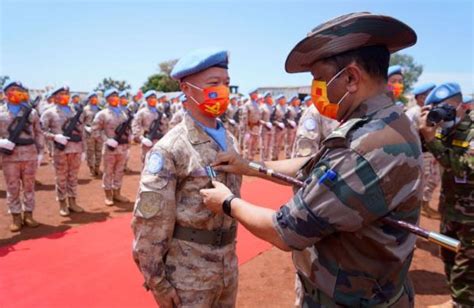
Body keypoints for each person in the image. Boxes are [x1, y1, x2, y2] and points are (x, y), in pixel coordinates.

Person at [200, 12, 422, 307]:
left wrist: (227, 203)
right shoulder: (390, 121)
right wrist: (249, 167)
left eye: (320, 80)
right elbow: (310, 165)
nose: (318, 91)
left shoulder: (363, 146)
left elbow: (284, 230)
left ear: (352, 78)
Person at [132, 48, 242, 308]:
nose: (223, 90)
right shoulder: (171, 148)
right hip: (187, 275)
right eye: (213, 84)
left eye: (226, 83)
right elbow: (149, 222)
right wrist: (157, 281)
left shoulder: (231, 140)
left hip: (227, 265)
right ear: (187, 88)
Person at [419, 82, 473, 308]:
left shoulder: (471, 131)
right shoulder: (443, 130)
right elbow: (420, 151)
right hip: (450, 208)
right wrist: (422, 131)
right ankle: (457, 301)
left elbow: (463, 167)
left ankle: (462, 304)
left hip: (470, 214)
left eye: (447, 109)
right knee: (449, 256)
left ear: (460, 105)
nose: (444, 114)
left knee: (466, 263)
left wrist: (432, 141)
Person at [0, 80, 44, 231]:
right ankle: (16, 217)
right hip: (9, 157)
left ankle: (29, 215)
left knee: (29, 187)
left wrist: (40, 152)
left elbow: (38, 133)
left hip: (30, 154)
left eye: (18, 89)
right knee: (13, 188)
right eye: (12, 89)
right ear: (5, 94)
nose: (16, 92)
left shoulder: (31, 112)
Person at [40, 85, 85, 216]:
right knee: (61, 178)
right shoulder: (49, 112)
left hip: (75, 149)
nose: (65, 96)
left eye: (67, 93)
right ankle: (62, 203)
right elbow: (40, 130)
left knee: (73, 177)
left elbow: (81, 131)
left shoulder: (75, 111)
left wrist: (83, 150)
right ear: (55, 97)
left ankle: (73, 202)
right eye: (62, 93)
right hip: (61, 150)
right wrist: (54, 137)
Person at [407, 83, 441, 219]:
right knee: (424, 182)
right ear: (420, 97)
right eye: (428, 95)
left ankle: (423, 206)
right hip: (418, 152)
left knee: (429, 179)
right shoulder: (416, 112)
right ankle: (421, 208)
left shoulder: (421, 110)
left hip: (423, 152)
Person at [91, 88, 131, 206]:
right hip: (110, 149)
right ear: (107, 99)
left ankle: (117, 193)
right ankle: (108, 195)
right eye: (112, 96)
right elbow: (94, 131)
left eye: (116, 96)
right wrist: (106, 140)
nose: (115, 98)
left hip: (122, 147)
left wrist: (128, 143)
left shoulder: (123, 112)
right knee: (108, 172)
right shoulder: (102, 114)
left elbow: (127, 130)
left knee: (119, 171)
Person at [132, 90, 166, 163]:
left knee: (159, 163)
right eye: (151, 98)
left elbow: (165, 127)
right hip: (147, 142)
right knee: (146, 164)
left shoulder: (159, 113)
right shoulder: (142, 112)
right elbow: (135, 125)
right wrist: (141, 138)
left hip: (159, 142)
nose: (153, 100)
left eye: (154, 98)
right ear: (147, 100)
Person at [83, 91, 103, 177]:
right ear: (89, 99)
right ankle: (91, 168)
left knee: (99, 151)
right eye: (93, 98)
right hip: (89, 134)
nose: (95, 99)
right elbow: (80, 122)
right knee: (90, 152)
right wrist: (86, 128)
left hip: (99, 133)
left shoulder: (100, 109)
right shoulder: (85, 110)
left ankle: (97, 168)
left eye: (96, 97)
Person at [240, 89, 261, 160]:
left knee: (254, 145)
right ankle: (246, 161)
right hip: (249, 128)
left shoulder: (256, 104)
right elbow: (244, 117)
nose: (257, 95)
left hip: (256, 127)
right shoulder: (247, 104)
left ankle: (252, 160)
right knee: (248, 145)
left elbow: (258, 115)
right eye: (255, 93)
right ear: (251, 95)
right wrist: (246, 127)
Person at [272, 94, 287, 160]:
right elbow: (272, 119)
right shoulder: (275, 108)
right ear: (279, 100)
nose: (284, 100)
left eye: (284, 99)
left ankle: (277, 156)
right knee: (275, 143)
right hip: (277, 128)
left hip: (284, 128)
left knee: (281, 144)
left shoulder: (286, 108)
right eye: (282, 99)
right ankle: (273, 156)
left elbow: (286, 117)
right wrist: (278, 123)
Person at [260, 92, 274, 161]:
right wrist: (265, 123)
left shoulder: (272, 107)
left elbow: (274, 118)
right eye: (268, 97)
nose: (270, 98)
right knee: (264, 146)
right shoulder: (262, 107)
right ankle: (263, 161)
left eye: (270, 97)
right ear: (265, 98)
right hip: (264, 129)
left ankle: (269, 160)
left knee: (270, 146)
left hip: (271, 129)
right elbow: (259, 119)